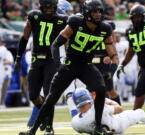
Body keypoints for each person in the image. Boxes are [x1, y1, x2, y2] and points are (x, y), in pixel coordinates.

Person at [19, 0, 119, 135]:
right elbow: (55, 44)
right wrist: (58, 64)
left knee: (101, 89)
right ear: (86, 12)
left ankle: (98, 127)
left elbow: (113, 54)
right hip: (70, 64)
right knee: (51, 98)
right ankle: (33, 130)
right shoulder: (75, 22)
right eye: (94, 11)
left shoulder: (105, 28)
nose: (97, 14)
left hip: (86, 65)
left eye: (99, 11)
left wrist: (111, 71)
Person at [14, 0, 68, 134]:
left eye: (51, 8)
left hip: (51, 60)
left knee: (48, 93)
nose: (49, 10)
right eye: (46, 7)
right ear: (41, 7)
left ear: (55, 7)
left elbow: (68, 40)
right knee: (33, 95)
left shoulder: (62, 19)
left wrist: (67, 58)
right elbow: (24, 37)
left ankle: (49, 128)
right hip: (36, 59)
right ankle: (44, 115)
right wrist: (18, 58)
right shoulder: (34, 16)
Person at [71, 88, 145, 134]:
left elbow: (82, 130)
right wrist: (107, 101)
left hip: (108, 129)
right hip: (118, 124)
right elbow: (119, 109)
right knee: (139, 113)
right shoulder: (97, 109)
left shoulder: (75, 122)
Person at [91, 21, 121, 105]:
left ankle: (119, 109)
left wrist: (108, 57)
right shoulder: (94, 33)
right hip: (94, 63)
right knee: (92, 90)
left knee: (110, 90)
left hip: (104, 64)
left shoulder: (109, 37)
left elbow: (114, 55)